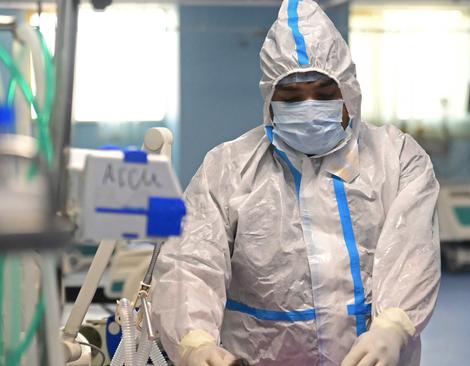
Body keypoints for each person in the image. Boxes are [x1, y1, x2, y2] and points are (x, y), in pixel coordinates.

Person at [151, 0, 441, 365]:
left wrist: (392, 327)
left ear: (349, 92)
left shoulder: (397, 159)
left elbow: (411, 252)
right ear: (270, 102)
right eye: (291, 97)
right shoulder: (227, 167)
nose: (308, 106)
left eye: (323, 94)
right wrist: (195, 342)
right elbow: (192, 261)